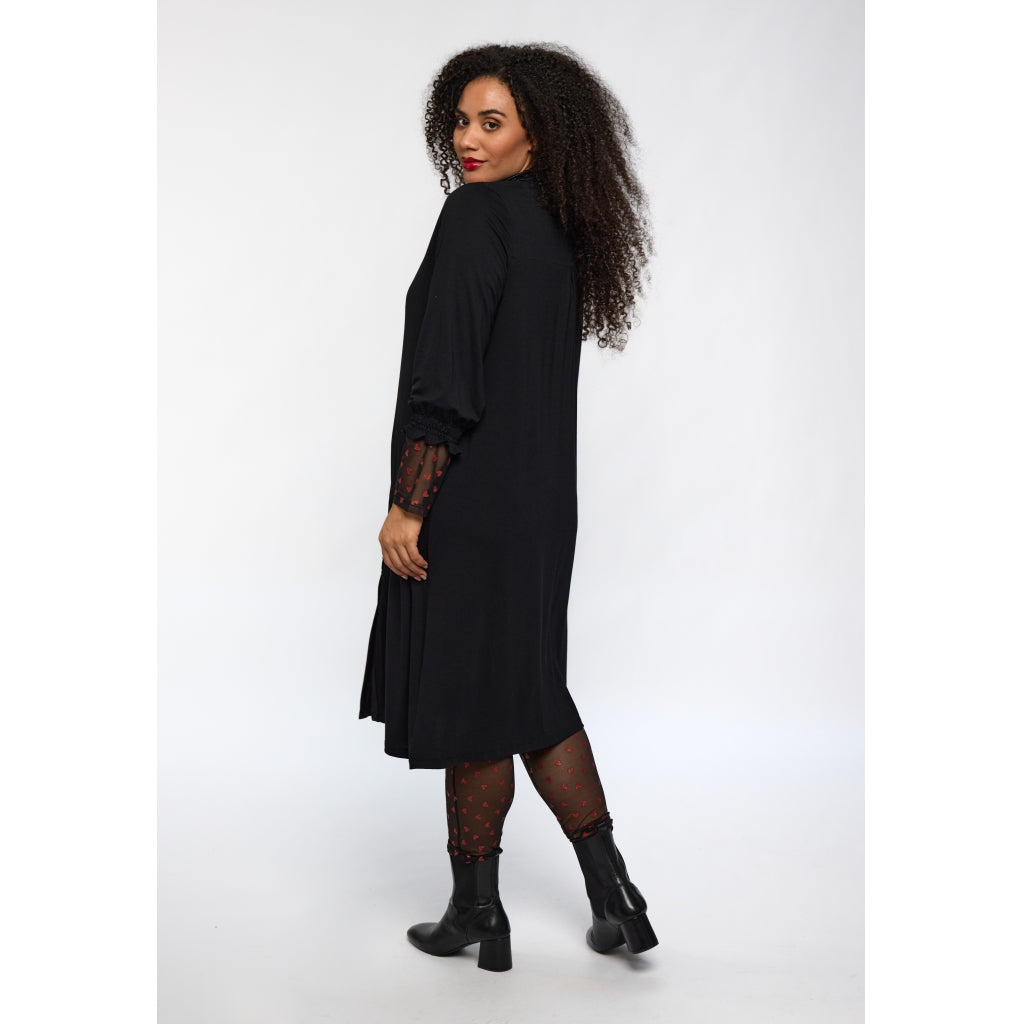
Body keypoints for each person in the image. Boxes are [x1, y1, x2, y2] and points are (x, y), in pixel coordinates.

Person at [358, 42, 656, 971]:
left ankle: (480, 912)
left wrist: (410, 504)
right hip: (542, 510)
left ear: (540, 133)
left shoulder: (475, 216)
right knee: (524, 689)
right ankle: (612, 895)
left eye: (493, 122)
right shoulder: (557, 227)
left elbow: (447, 381)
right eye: (461, 121)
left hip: (471, 503)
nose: (470, 139)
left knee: (477, 692)